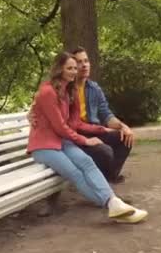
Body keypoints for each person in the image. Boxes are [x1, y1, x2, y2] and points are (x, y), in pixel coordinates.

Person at [27, 52, 148, 223]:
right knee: (75, 173)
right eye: (69, 68)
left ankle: (114, 203)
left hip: (62, 141)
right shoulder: (47, 92)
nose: (74, 71)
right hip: (44, 146)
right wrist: (85, 140)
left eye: (75, 68)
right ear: (59, 69)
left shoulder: (70, 91)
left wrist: (103, 130)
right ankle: (111, 204)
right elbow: (60, 127)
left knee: (87, 163)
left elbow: (75, 123)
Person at [29, 47, 135, 183]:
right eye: (79, 62)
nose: (84, 65)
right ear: (68, 67)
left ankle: (109, 176)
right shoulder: (62, 88)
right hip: (74, 133)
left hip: (91, 129)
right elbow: (39, 107)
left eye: (86, 61)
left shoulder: (94, 88)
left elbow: (106, 114)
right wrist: (30, 113)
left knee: (124, 138)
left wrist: (122, 126)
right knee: (104, 151)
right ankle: (98, 179)